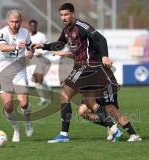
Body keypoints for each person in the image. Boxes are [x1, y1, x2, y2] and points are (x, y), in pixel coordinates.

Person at [32, 3, 126, 143]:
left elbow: (101, 39)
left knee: (64, 96)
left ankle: (64, 135)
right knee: (89, 102)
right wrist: (43, 46)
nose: (63, 17)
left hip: (85, 67)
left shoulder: (82, 26)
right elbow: (59, 44)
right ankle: (113, 128)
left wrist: (105, 55)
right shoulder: (66, 30)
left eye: (66, 14)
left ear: (73, 14)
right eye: (62, 15)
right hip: (80, 68)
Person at [0, 9, 34, 142]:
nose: (15, 24)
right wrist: (16, 46)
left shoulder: (25, 33)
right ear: (8, 22)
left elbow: (30, 49)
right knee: (8, 106)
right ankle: (16, 129)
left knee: (24, 103)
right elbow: (2, 47)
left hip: (19, 70)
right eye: (12, 22)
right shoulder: (1, 33)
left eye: (17, 22)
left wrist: (30, 53)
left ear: (21, 22)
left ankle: (28, 121)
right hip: (3, 72)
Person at [28, 19, 51, 106]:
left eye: (34, 25)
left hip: (41, 59)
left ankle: (43, 99)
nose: (33, 27)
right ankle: (50, 91)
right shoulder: (28, 37)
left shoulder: (41, 36)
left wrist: (40, 53)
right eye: (31, 25)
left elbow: (48, 47)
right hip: (32, 60)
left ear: (36, 26)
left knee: (37, 81)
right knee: (38, 80)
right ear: (29, 27)